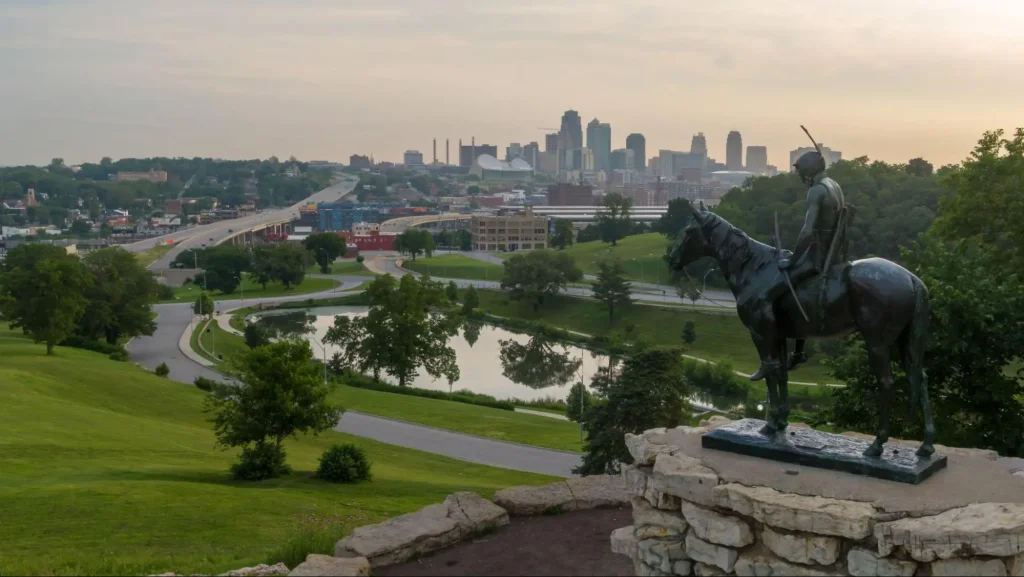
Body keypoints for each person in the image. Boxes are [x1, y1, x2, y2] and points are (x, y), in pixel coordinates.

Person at [749, 150, 846, 381]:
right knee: (796, 292)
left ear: (810, 170)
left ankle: (770, 360)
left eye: (802, 172)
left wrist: (792, 261)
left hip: (816, 257)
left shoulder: (816, 191)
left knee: (766, 297)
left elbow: (807, 231)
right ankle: (799, 352)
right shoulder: (833, 184)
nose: (802, 177)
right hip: (833, 254)